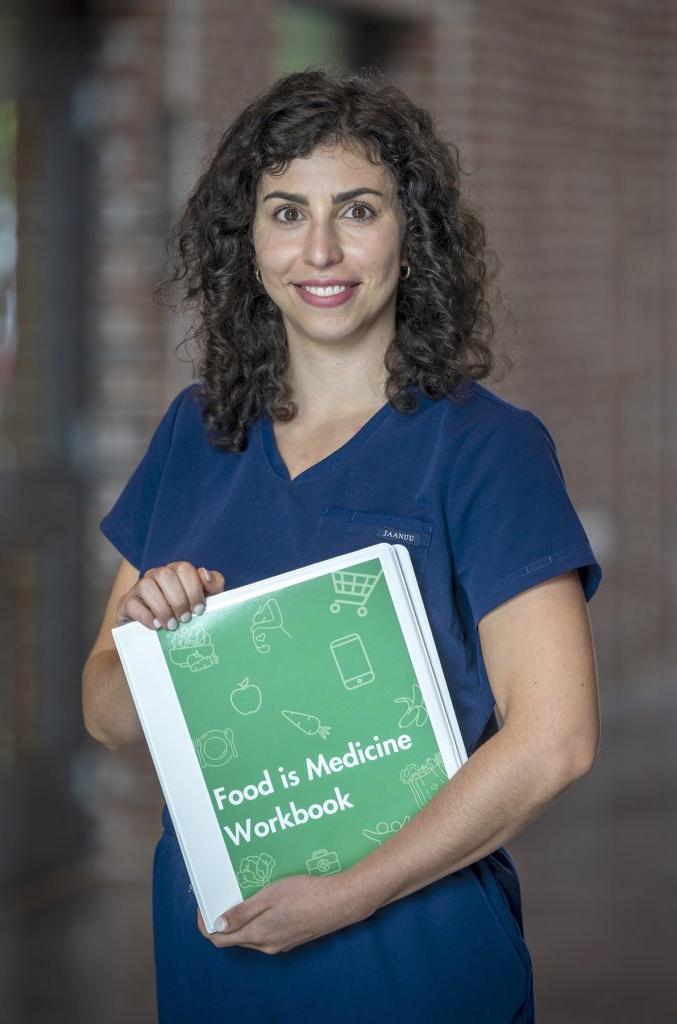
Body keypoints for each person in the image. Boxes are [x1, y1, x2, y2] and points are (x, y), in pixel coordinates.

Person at [82, 68, 602, 1023]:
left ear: (414, 234)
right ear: (249, 244)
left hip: (414, 960)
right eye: (286, 213)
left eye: (357, 210)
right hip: (216, 950)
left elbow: (555, 739)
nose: (320, 248)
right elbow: (109, 714)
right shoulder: (197, 434)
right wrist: (152, 635)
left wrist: (349, 894)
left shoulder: (487, 449)